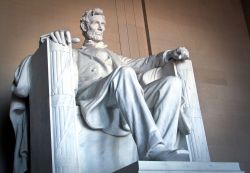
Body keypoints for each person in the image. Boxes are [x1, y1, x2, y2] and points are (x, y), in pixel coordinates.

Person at [46, 8, 190, 161]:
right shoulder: (73, 53)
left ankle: (161, 151)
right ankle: (152, 149)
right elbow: (47, 50)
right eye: (96, 23)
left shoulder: (114, 56)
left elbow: (141, 63)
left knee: (172, 84)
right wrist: (54, 39)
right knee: (125, 72)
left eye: (103, 24)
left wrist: (168, 55)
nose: (101, 28)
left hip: (119, 91)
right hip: (93, 95)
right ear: (84, 26)